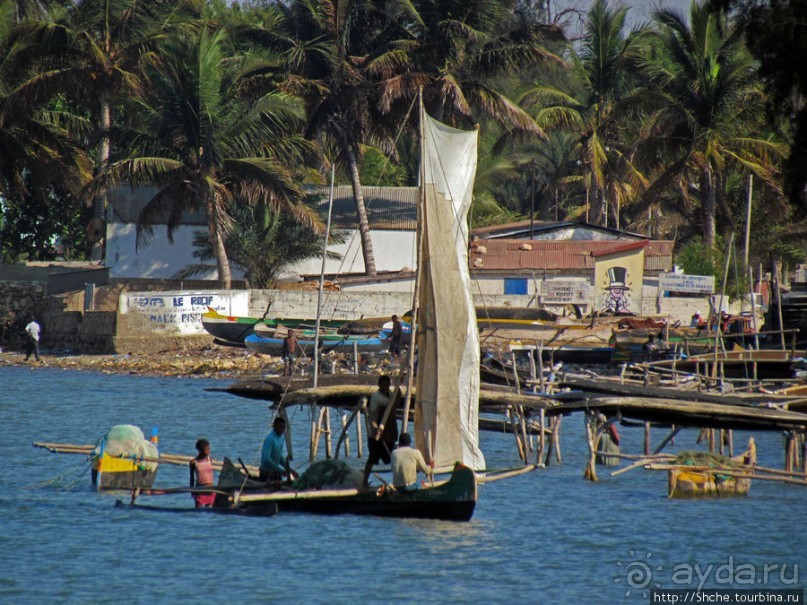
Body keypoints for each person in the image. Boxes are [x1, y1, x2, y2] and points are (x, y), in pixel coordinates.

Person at [362, 374, 399, 487]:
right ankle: (364, 482)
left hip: (389, 433)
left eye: (387, 385)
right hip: (378, 435)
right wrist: (376, 427)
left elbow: (394, 405)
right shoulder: (376, 397)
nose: (385, 387)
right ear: (379, 385)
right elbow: (372, 416)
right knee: (372, 458)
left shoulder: (390, 394)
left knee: (394, 457)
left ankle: (398, 481)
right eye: (382, 385)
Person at [260, 417, 296, 484]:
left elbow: (278, 457)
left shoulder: (281, 438)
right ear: (274, 427)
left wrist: (290, 470)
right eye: (280, 427)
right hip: (266, 475)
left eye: (283, 428)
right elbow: (266, 459)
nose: (281, 430)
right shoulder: (270, 439)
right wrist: (280, 470)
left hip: (276, 474)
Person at [189, 439, 215, 508]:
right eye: (206, 450)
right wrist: (192, 490)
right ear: (200, 450)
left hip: (211, 490)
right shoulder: (194, 462)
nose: (208, 452)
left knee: (210, 511)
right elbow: (192, 478)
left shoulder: (210, 460)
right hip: (200, 490)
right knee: (198, 511)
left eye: (208, 449)